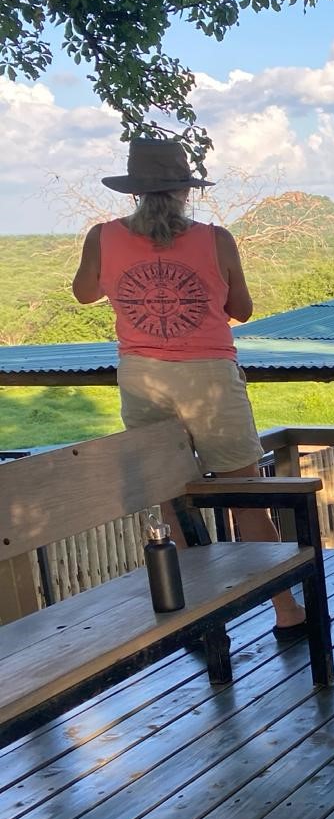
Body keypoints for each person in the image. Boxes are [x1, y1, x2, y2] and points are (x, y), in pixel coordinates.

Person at [72, 137, 306, 641]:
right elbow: (240, 309)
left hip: (141, 375)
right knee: (245, 497)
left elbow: (85, 292)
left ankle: (202, 623)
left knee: (171, 501)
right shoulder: (215, 238)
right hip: (209, 376)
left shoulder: (102, 236)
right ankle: (286, 610)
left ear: (134, 191)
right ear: (184, 190)